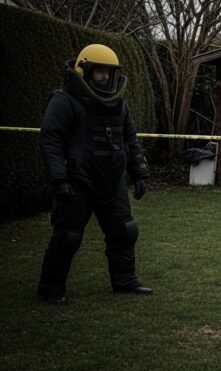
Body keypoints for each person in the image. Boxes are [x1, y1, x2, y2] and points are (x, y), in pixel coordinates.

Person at [37, 44, 152, 304]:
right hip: (78, 179)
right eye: (99, 71)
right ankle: (51, 287)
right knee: (68, 236)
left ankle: (125, 280)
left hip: (112, 179)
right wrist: (59, 179)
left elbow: (129, 139)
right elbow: (51, 140)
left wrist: (140, 173)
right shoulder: (64, 101)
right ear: (85, 70)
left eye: (108, 72)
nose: (104, 76)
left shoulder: (119, 105)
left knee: (125, 231)